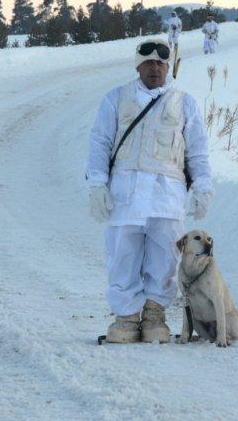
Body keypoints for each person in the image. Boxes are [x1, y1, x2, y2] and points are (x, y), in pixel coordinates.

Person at [85, 39, 213, 344]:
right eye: (148, 63)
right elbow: (99, 142)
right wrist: (96, 184)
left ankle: (155, 316)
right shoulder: (116, 98)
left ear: (167, 67)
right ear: (137, 65)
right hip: (125, 192)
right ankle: (126, 318)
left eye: (160, 63)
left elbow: (197, 149)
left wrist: (202, 186)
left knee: (164, 256)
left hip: (166, 194)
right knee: (122, 254)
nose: (154, 68)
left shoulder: (185, 102)